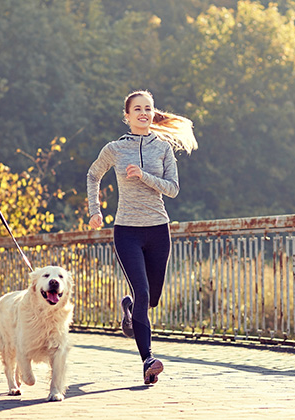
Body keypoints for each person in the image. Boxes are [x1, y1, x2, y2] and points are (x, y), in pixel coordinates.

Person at [86, 90, 197, 385]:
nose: (143, 113)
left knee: (152, 298)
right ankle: (148, 360)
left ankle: (130, 310)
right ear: (127, 116)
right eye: (137, 109)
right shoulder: (114, 149)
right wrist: (95, 210)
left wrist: (144, 176)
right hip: (127, 230)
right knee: (143, 292)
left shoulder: (162, 149)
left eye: (148, 108)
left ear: (152, 113)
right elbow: (93, 174)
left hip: (159, 229)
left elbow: (173, 188)